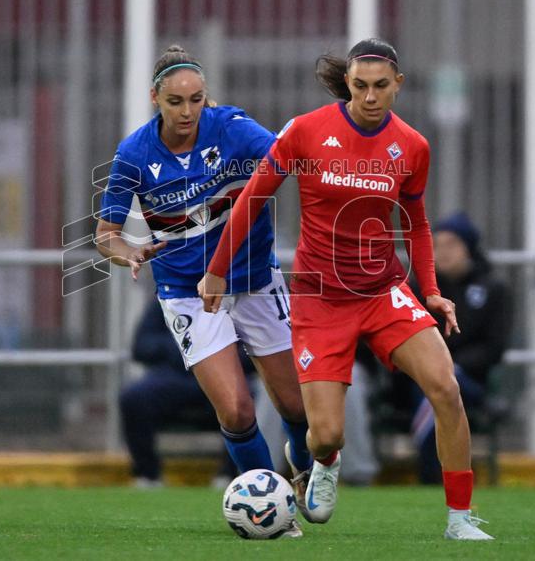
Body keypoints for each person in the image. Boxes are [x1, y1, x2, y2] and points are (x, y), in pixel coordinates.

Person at [199, 38, 493, 540]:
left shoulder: (413, 146)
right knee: (325, 434)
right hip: (319, 296)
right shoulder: (307, 131)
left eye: (381, 86)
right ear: (348, 84)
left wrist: (432, 290)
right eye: (360, 86)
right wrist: (217, 271)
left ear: (397, 85)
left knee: (446, 387)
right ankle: (326, 463)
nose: (370, 96)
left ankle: (460, 519)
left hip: (383, 291)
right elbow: (250, 200)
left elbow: (417, 224)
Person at [95, 45, 311, 537]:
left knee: (296, 406)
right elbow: (105, 233)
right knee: (236, 408)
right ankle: (271, 515)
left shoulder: (231, 128)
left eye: (196, 99)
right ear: (155, 98)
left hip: (254, 279)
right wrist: (127, 251)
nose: (188, 111)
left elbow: (286, 158)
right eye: (175, 101)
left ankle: (306, 474)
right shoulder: (134, 153)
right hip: (187, 292)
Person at [397, 211, 511, 484]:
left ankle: (431, 477)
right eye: (436, 245)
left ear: (469, 248)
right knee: (432, 384)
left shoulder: (494, 289)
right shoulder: (417, 288)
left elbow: (494, 347)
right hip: (417, 379)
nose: (442, 252)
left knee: (440, 385)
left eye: (451, 245)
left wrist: (452, 365)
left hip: (471, 380)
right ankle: (443, 480)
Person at [119, 296, 242, 488]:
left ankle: (231, 476)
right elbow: (142, 345)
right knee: (134, 397)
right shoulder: (169, 295)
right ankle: (148, 476)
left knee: (247, 400)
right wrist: (182, 349)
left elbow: (251, 350)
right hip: (174, 378)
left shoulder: (234, 297)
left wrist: (213, 354)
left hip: (223, 376)